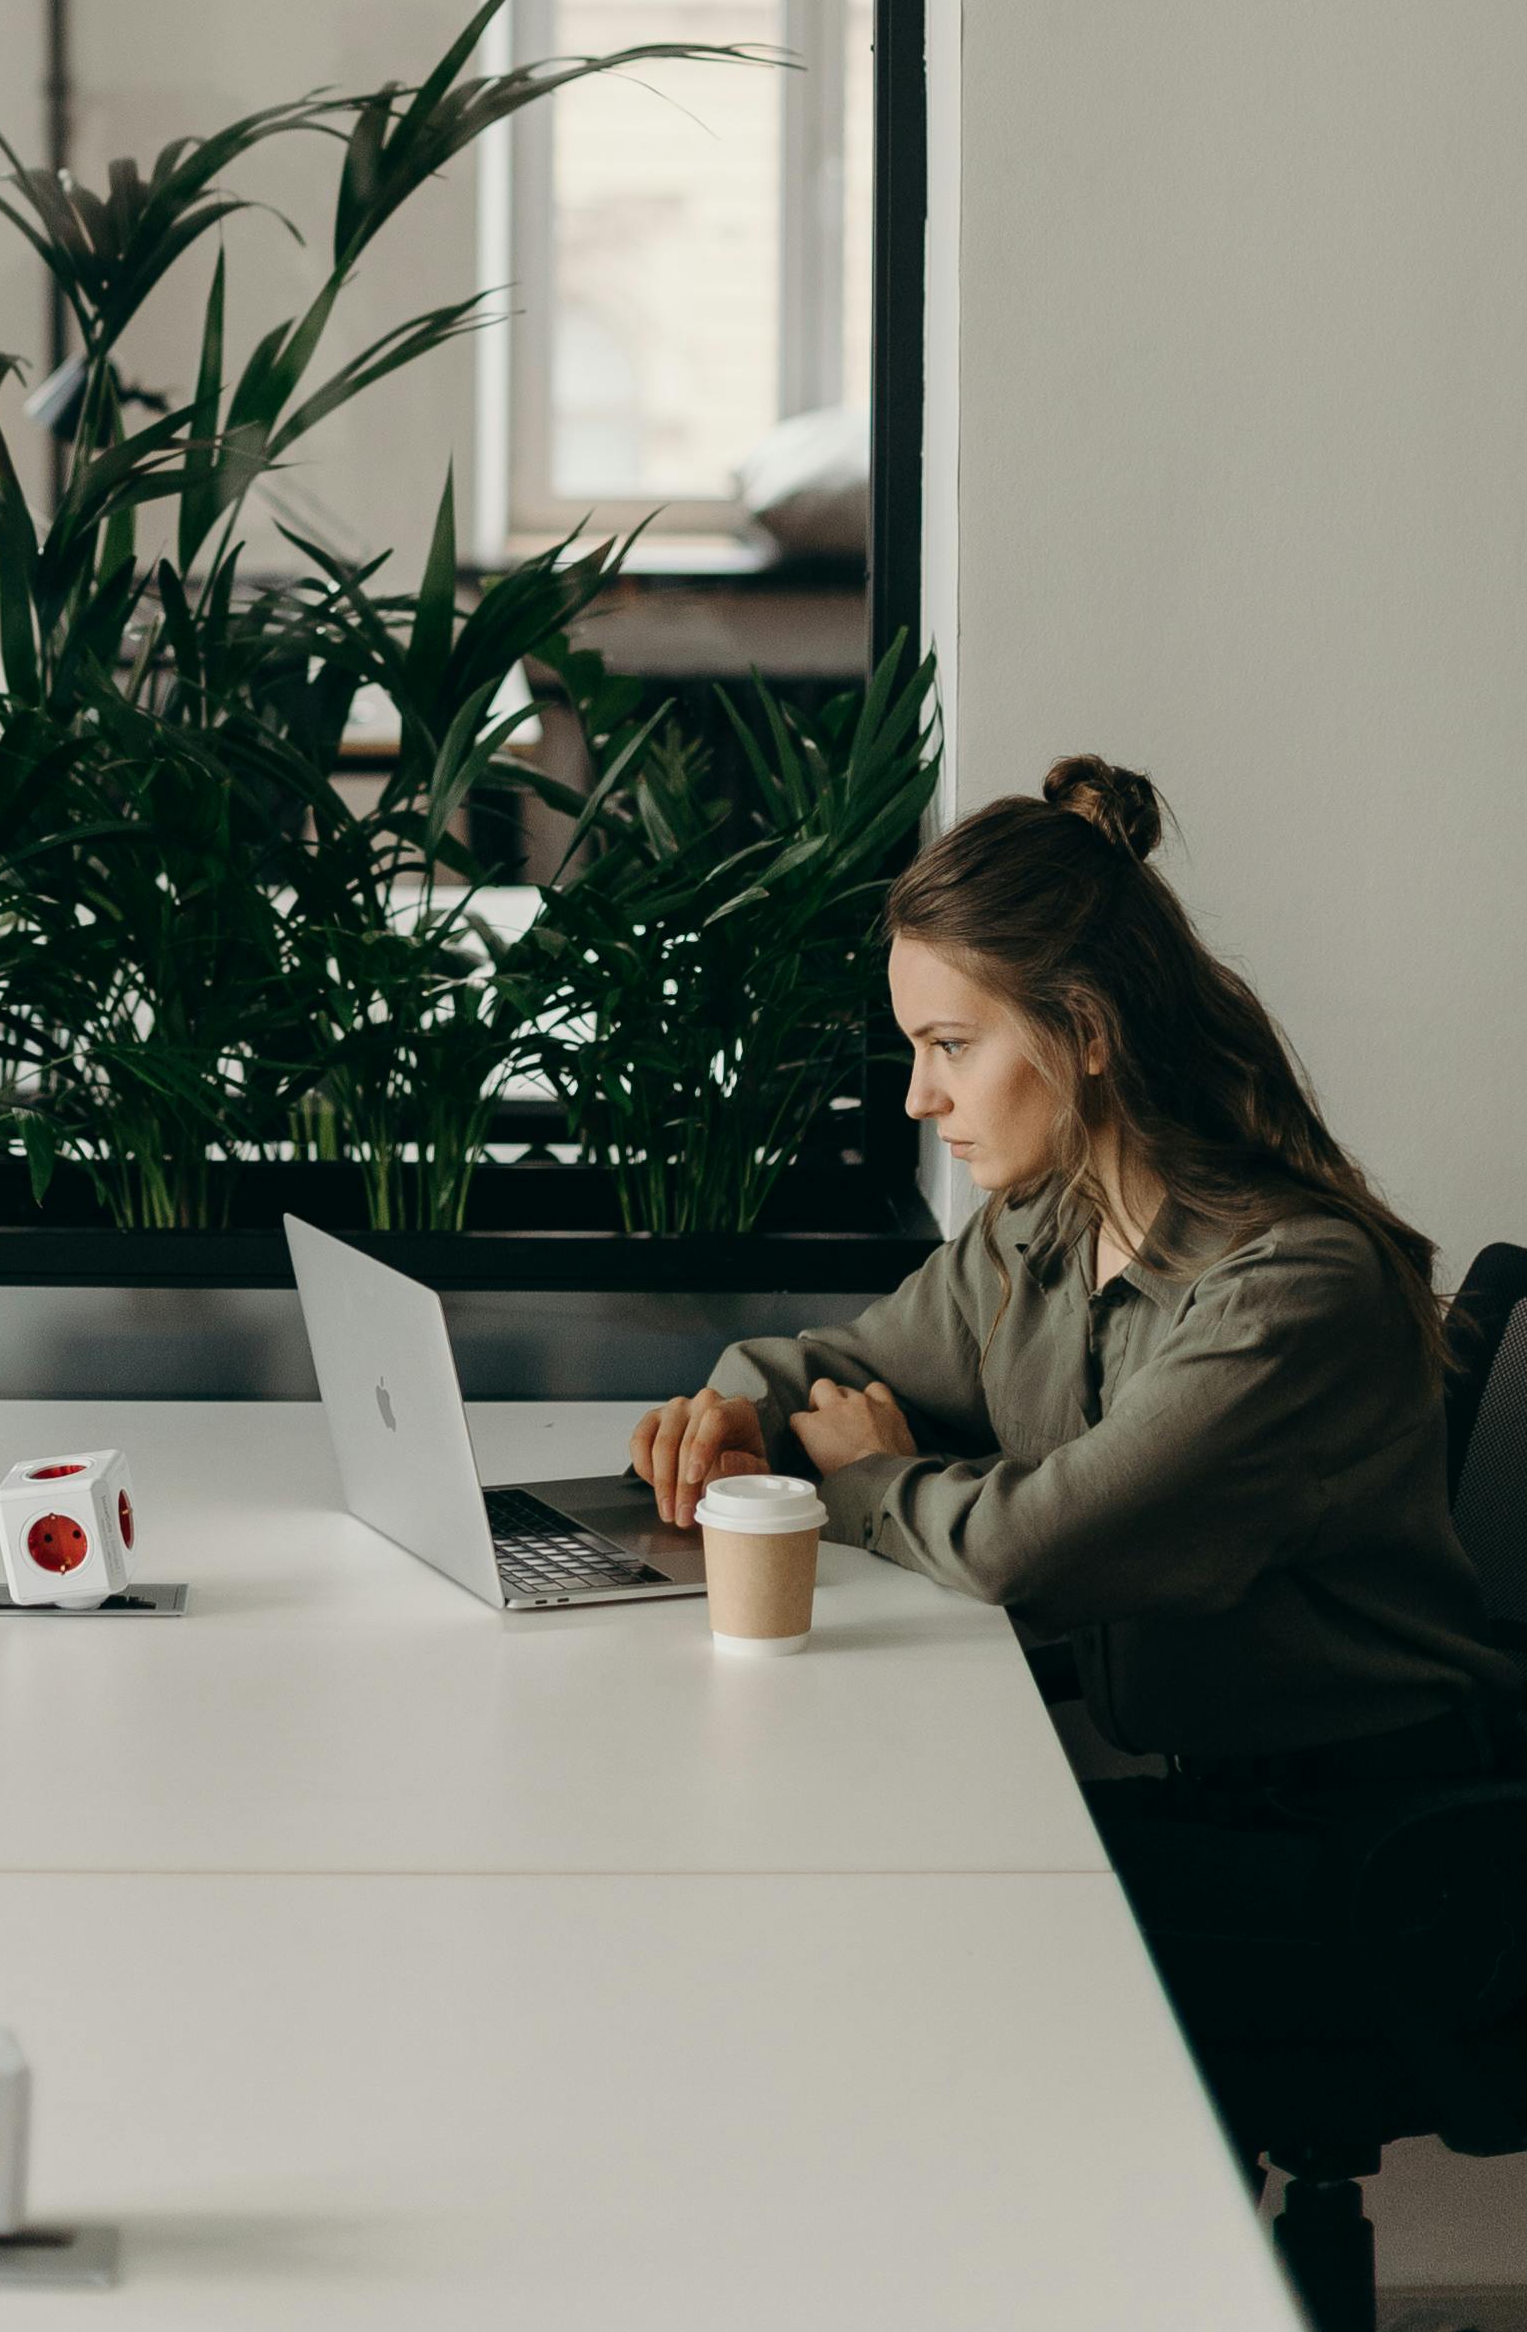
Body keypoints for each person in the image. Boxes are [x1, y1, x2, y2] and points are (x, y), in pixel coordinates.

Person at [630, 755, 1515, 2076]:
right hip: (1213, 1802)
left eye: (948, 1046)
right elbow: (841, 1361)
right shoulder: (1041, 1227)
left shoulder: (1290, 1291)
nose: (921, 1099)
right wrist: (733, 1409)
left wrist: (870, 1481)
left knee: (925, 1929)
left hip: (1377, 1853)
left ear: (1085, 1033)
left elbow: (1027, 1546)